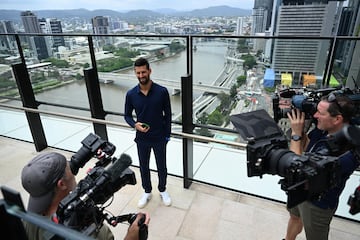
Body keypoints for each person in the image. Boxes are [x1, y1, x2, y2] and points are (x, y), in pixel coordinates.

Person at [21, 151, 150, 240]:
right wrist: (133, 236)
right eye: (69, 169)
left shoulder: (26, 221)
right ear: (61, 184)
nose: (72, 172)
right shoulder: (89, 231)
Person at [284, 94, 359, 240]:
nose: (315, 115)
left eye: (320, 113)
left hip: (318, 203)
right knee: (294, 217)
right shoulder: (324, 128)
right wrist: (303, 127)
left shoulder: (347, 153)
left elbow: (298, 169)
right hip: (299, 192)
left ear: (337, 119)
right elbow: (307, 146)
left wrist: (296, 134)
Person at [124, 57, 172, 208]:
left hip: (159, 137)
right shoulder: (131, 94)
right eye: (138, 73)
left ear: (150, 71)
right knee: (143, 166)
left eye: (143, 72)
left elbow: (168, 115)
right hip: (142, 138)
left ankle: (163, 190)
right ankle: (147, 191)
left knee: (161, 166)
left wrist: (167, 136)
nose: (141, 75)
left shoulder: (162, 92)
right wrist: (134, 125)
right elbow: (126, 115)